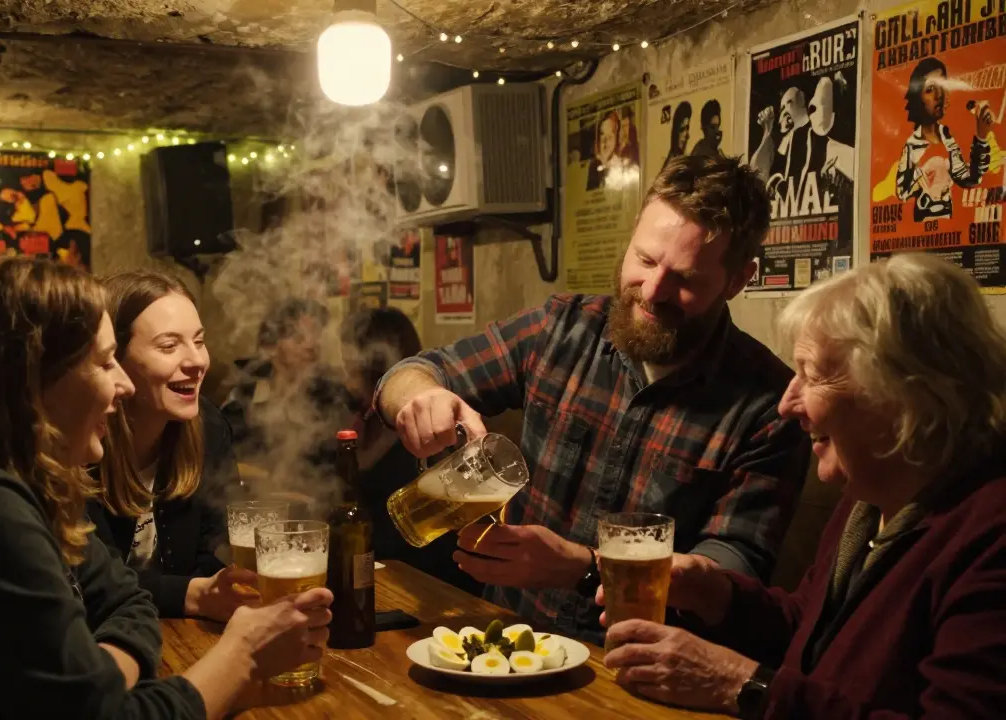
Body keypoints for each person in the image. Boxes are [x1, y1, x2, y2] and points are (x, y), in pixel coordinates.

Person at [0, 258, 332, 719]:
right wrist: (241, 657)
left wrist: (98, 676)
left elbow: (127, 597)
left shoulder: (17, 480)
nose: (120, 384)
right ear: (34, 380)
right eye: (103, 362)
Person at [374, 154, 809, 643]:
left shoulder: (769, 406)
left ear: (737, 280)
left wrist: (583, 568)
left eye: (685, 279)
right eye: (644, 260)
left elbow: (727, 582)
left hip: (637, 670)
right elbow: (408, 374)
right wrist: (424, 397)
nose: (653, 290)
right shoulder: (561, 329)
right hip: (510, 642)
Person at [600, 253, 1006, 719]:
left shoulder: (989, 535)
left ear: (902, 398)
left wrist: (744, 686)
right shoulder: (871, 495)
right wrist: (718, 596)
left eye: (811, 376)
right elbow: (808, 631)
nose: (786, 404)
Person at [89, 270, 253, 622]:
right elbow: (87, 581)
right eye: (169, 346)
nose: (197, 361)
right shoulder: (82, 441)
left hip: (181, 634)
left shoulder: (207, 425)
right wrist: (187, 594)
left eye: (199, 340)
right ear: (113, 358)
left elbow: (219, 550)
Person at [340, 307, 482, 597]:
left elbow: (419, 538)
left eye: (346, 357)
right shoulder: (360, 418)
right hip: (375, 574)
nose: (342, 368)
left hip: (425, 584)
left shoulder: (424, 432)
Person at [222, 298, 352, 481]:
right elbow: (223, 462)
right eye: (298, 338)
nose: (311, 345)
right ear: (270, 346)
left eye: (315, 335)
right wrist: (268, 480)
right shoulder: (245, 397)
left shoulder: (332, 396)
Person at [895, 57, 993, 222]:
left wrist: (981, 138)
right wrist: (920, 179)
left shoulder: (948, 138)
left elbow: (969, 179)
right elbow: (902, 191)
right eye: (930, 89)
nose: (939, 95)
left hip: (948, 222)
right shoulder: (912, 146)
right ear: (917, 99)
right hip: (922, 227)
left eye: (942, 86)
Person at [661, 102, 692, 172]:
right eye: (682, 129)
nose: (686, 134)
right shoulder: (671, 163)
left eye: (687, 128)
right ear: (675, 132)